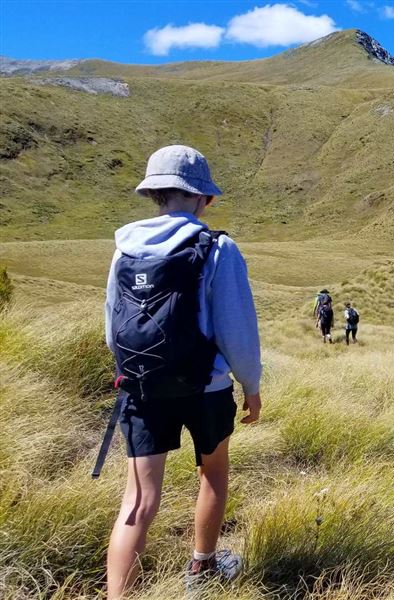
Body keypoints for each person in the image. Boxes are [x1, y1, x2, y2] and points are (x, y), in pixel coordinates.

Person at [102, 145, 262, 596]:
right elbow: (237, 331)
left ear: (155, 194)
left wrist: (134, 374)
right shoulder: (217, 247)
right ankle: (202, 567)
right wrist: (251, 387)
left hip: (141, 387)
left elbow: (112, 327)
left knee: (137, 500)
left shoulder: (123, 249)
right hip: (206, 386)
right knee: (212, 472)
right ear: (202, 197)